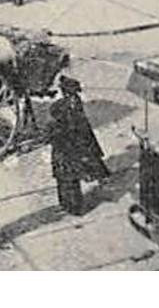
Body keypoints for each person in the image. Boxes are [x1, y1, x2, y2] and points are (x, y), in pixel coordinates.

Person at [49, 75, 109, 214]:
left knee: (68, 180)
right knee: (67, 179)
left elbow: (73, 129)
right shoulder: (71, 104)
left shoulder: (68, 106)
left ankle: (73, 208)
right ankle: (69, 206)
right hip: (68, 147)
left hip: (66, 149)